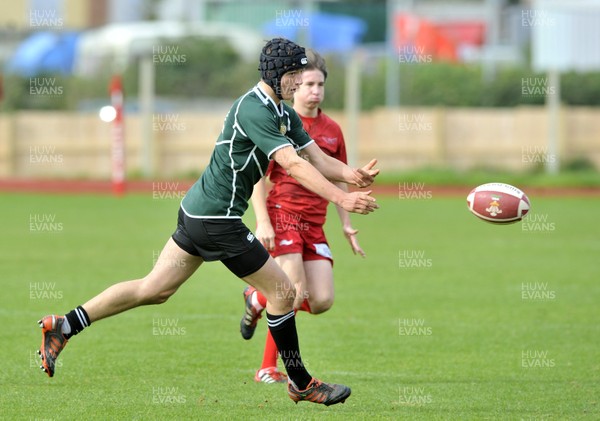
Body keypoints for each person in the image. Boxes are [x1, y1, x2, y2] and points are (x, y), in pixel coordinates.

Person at [37, 38, 379, 407]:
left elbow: (315, 157)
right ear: (276, 73)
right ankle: (300, 382)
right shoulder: (255, 109)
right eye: (294, 74)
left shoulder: (284, 113)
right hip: (217, 220)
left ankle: (65, 324)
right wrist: (342, 197)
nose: (299, 82)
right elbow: (292, 165)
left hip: (198, 212)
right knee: (283, 293)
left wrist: (352, 175)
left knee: (154, 289)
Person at [240, 49, 366, 384]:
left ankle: (257, 298)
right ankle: (268, 368)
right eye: (308, 82)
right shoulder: (279, 122)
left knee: (321, 299)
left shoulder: (332, 130)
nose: (314, 90)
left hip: (315, 222)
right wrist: (263, 220)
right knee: (293, 290)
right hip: (284, 214)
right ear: (294, 85)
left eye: (320, 83)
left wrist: (347, 224)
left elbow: (337, 176)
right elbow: (258, 177)